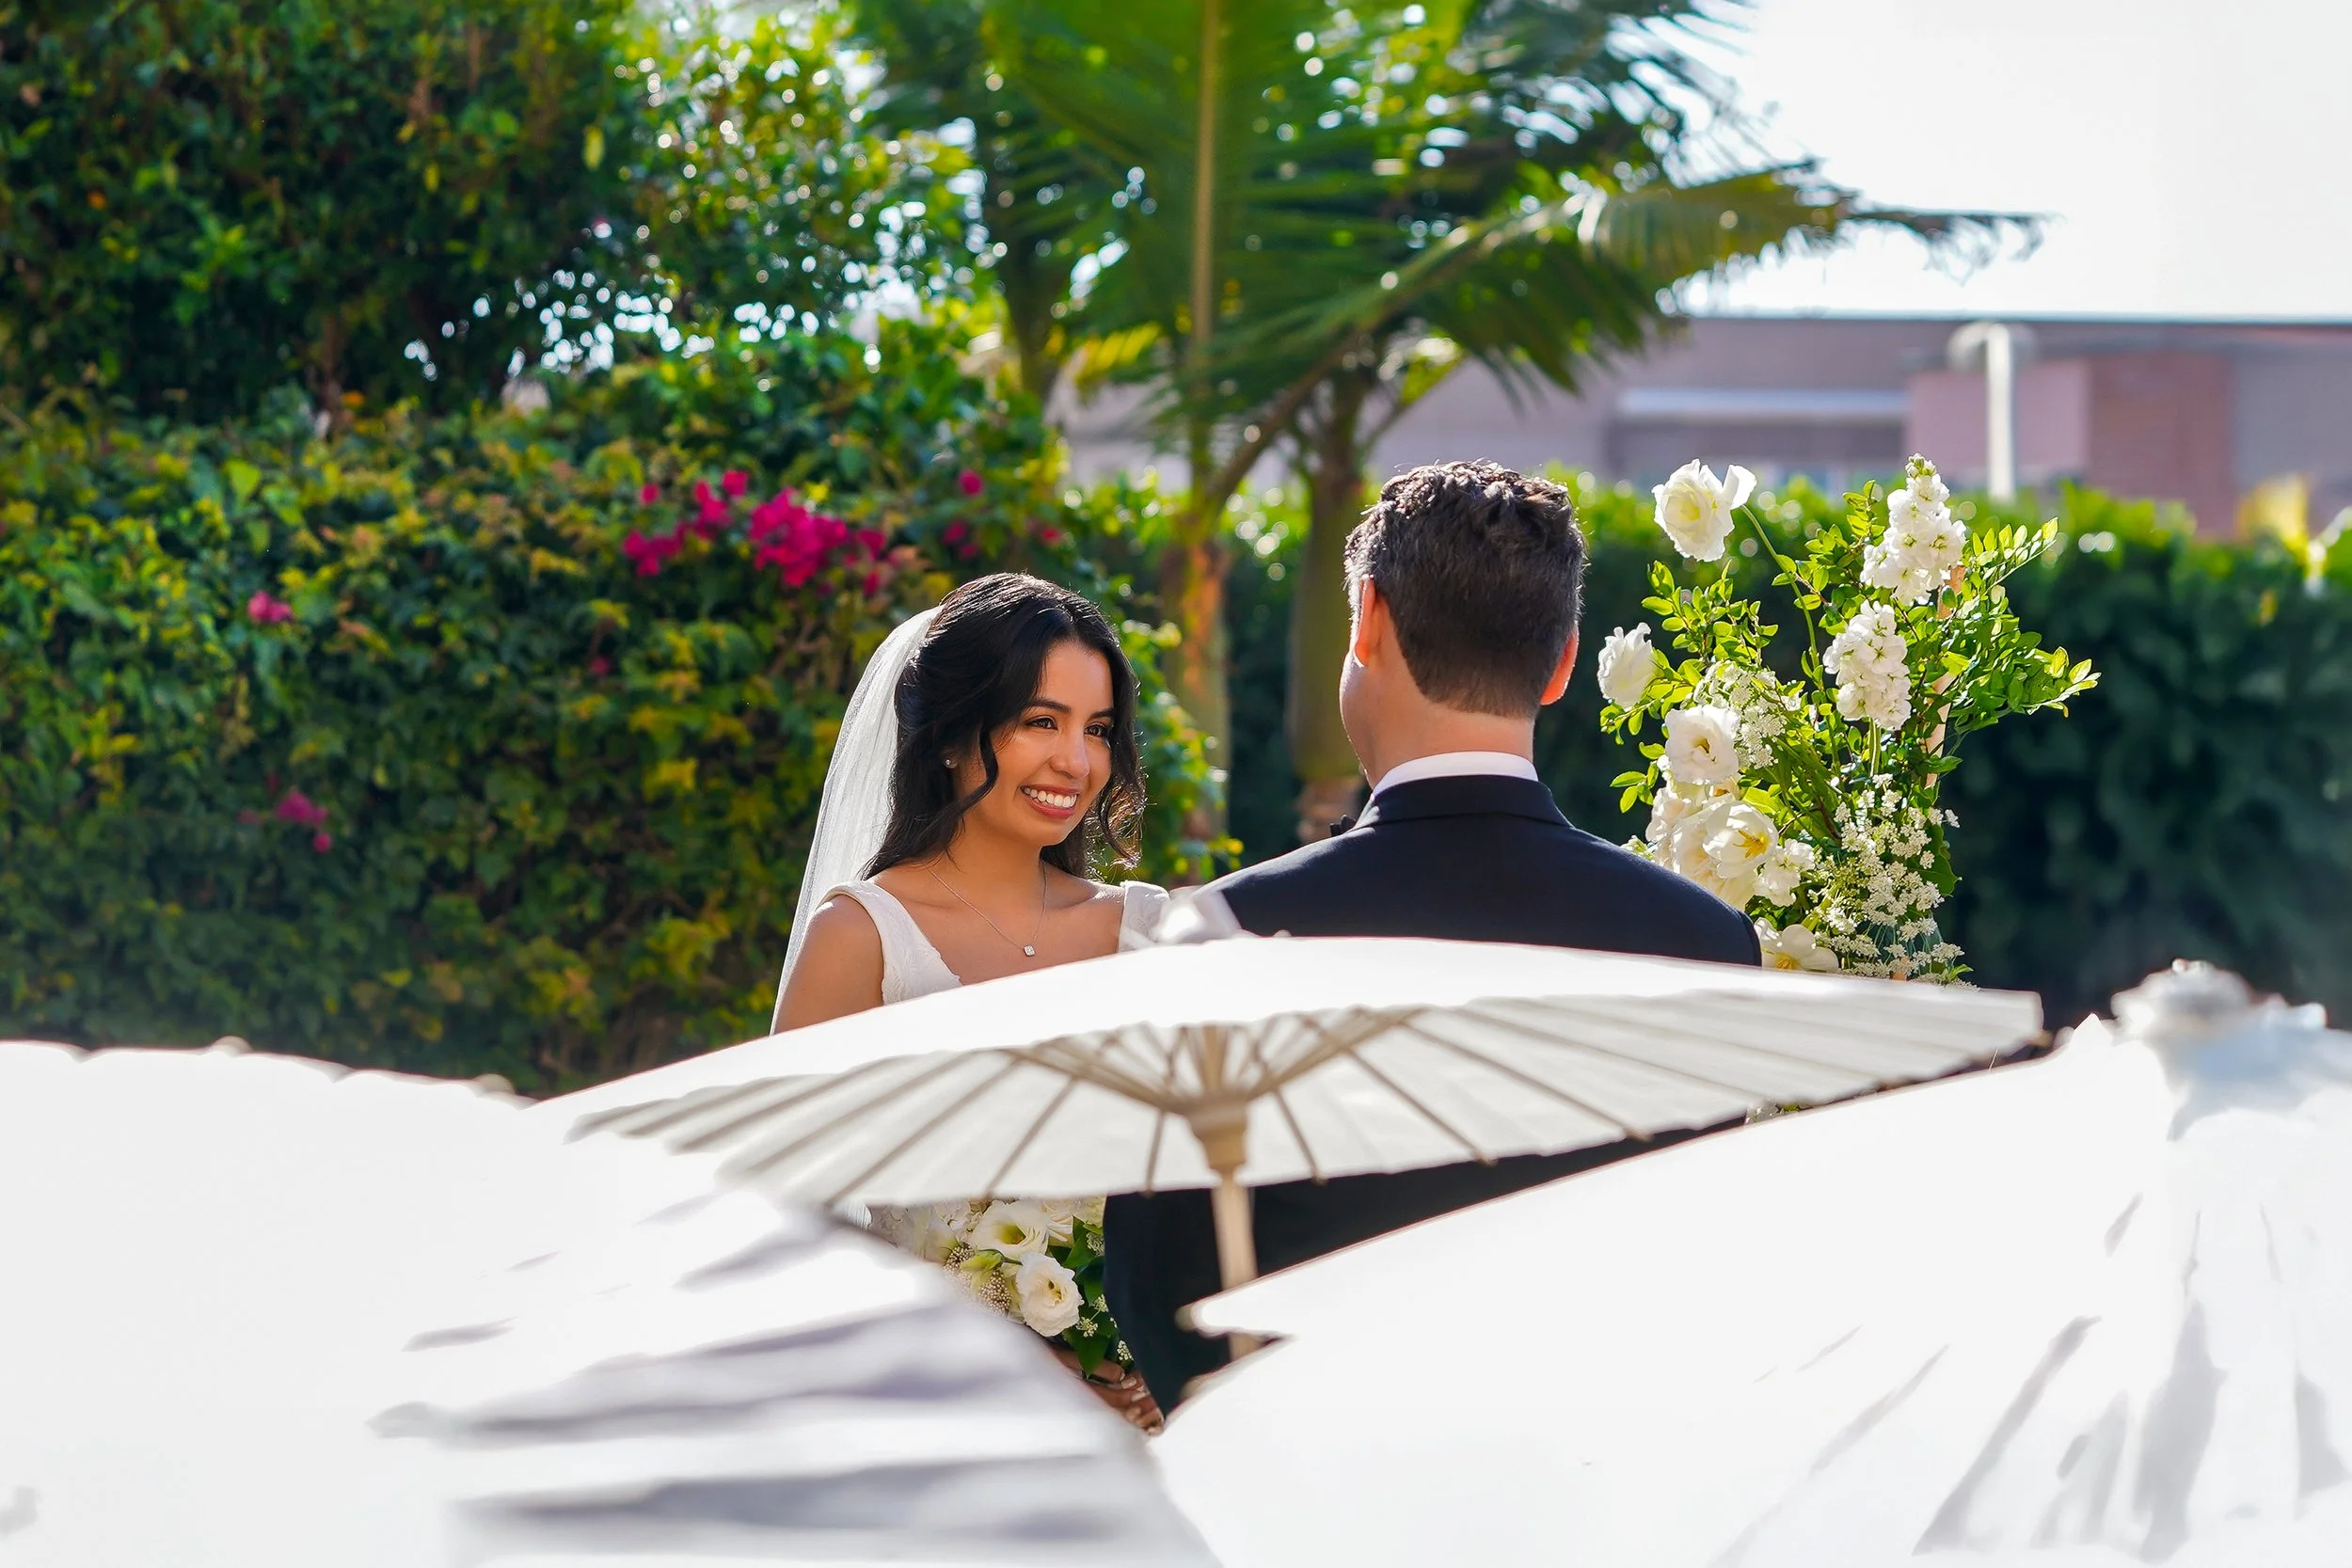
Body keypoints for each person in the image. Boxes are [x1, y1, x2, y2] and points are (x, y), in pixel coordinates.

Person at [1104, 460, 1762, 1413]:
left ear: (1365, 619)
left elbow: (1157, 1274)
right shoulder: (1706, 941)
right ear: (1564, 658)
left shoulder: (1222, 937)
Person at [773, 571, 1167, 1432]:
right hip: (940, 1417)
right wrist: (1006, 1348)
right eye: (1041, 722)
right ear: (954, 734)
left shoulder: (1151, 933)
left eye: (1097, 729)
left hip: (1140, 1429)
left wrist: (1167, 1352)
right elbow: (782, 1218)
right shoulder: (864, 937)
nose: (1077, 761)